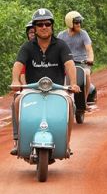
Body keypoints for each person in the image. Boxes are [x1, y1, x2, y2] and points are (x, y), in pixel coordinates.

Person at [10, 8, 80, 155]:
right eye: (40, 24)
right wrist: (15, 80)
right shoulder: (27, 46)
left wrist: (73, 83)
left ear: (52, 26)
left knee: (70, 105)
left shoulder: (61, 45)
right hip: (33, 88)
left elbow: (69, 64)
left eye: (47, 24)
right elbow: (18, 64)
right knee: (17, 102)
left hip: (57, 88)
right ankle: (18, 140)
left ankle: (66, 143)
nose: (44, 27)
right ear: (34, 28)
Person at [57, 11, 94, 106]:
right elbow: (56, 50)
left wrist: (90, 58)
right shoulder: (61, 35)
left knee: (87, 74)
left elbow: (89, 49)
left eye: (80, 22)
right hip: (67, 63)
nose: (79, 24)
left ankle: (84, 101)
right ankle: (62, 102)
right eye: (76, 22)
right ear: (70, 23)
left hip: (82, 62)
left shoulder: (83, 33)